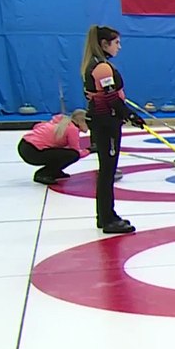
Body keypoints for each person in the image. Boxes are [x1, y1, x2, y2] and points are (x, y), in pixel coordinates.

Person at [81, 24, 141, 234]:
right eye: (116, 43)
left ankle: (106, 215)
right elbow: (110, 98)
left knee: (107, 171)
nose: (119, 47)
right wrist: (130, 115)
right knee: (108, 171)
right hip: (106, 124)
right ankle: (107, 219)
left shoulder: (97, 64)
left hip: (103, 122)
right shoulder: (102, 67)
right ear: (104, 44)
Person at [18, 110, 89, 185]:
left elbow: (38, 126)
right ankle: (43, 174)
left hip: (24, 145)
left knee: (63, 153)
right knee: (73, 155)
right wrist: (89, 150)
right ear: (81, 121)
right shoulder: (72, 129)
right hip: (33, 151)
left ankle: (54, 171)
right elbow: (76, 151)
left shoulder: (61, 122)